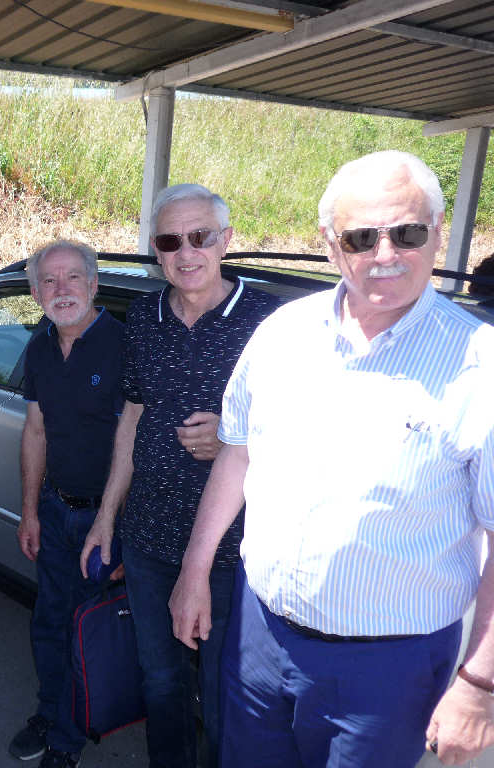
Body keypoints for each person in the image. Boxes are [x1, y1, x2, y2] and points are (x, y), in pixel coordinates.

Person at [169, 150, 494, 768]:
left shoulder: (483, 365)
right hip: (260, 635)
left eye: (407, 233)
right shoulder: (282, 333)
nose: (385, 253)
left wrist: (480, 683)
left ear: (438, 232)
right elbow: (236, 456)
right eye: (361, 237)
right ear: (329, 244)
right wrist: (194, 571)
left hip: (388, 667)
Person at [80, 184, 281, 768]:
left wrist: (238, 440)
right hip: (148, 541)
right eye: (171, 241)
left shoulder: (271, 320)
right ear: (156, 250)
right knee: (161, 684)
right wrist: (107, 516)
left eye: (200, 237)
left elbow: (309, 435)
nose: (186, 252)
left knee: (225, 698)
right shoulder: (143, 317)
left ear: (226, 240)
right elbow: (132, 417)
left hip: (234, 552)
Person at [8, 241, 126, 768]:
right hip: (56, 512)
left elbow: (134, 443)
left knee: (87, 629)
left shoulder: (123, 346)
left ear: (94, 284)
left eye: (73, 277)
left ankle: (67, 738)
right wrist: (30, 511)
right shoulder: (39, 348)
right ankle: (49, 709)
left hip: (106, 518)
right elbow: (35, 432)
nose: (62, 290)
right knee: (50, 620)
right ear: (35, 293)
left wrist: (115, 525)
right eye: (49, 281)